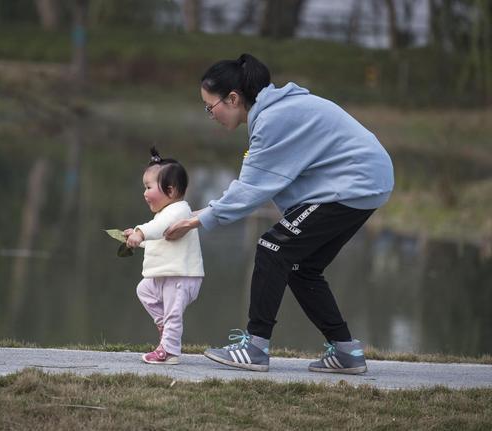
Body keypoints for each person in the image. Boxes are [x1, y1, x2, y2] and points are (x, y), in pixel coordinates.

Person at [164, 53, 394, 374]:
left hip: (355, 182)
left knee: (272, 248)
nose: (209, 114)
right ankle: (346, 352)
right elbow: (280, 185)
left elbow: (249, 191)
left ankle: (255, 347)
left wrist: (195, 220)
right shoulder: (276, 113)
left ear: (233, 98)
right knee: (301, 265)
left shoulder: (273, 119)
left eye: (210, 106)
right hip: (365, 182)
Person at [124, 147, 204, 365]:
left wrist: (140, 232)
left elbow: (156, 227)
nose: (144, 192)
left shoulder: (179, 210)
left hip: (181, 276)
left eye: (149, 187)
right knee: (144, 290)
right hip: (166, 274)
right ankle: (164, 326)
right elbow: (159, 237)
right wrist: (137, 237)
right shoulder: (166, 214)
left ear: (170, 190)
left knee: (173, 314)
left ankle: (170, 352)